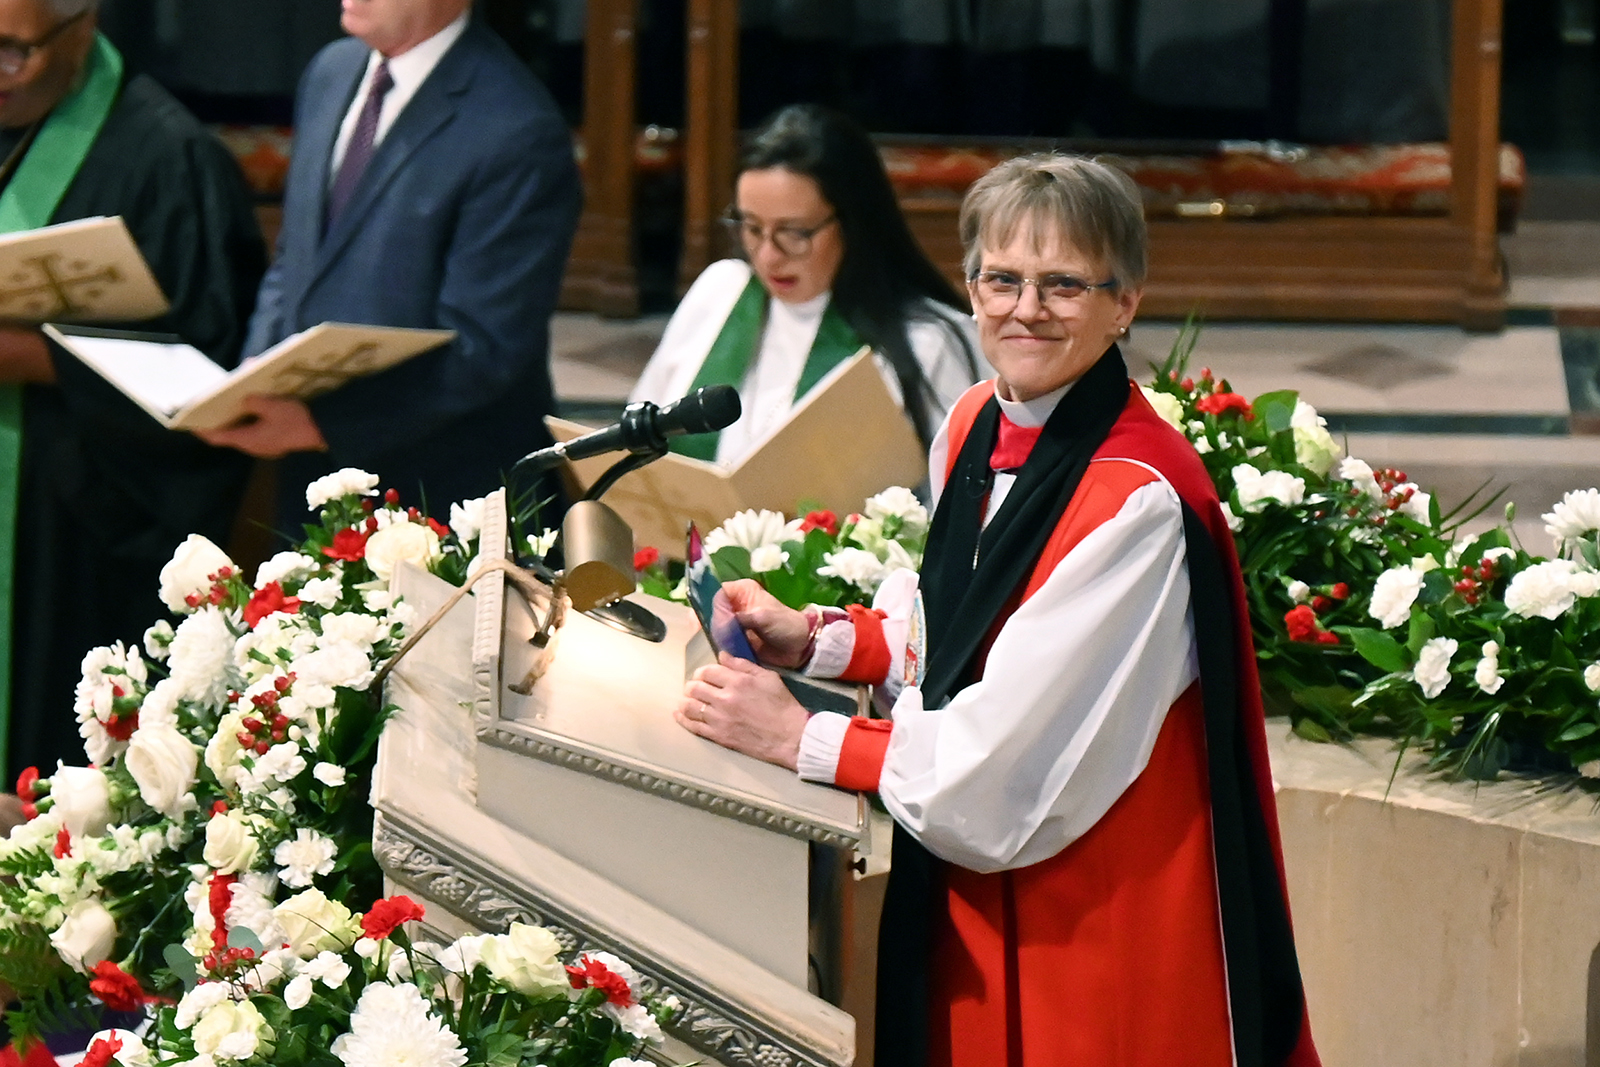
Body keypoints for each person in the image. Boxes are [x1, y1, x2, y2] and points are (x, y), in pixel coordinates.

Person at [673, 154, 1322, 1067]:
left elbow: (1001, 763)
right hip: (978, 886)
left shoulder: (1134, 499)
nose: (1026, 308)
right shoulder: (979, 418)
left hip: (1090, 912)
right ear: (970, 288)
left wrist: (801, 739)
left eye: (1064, 284)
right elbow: (968, 628)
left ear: (1125, 300)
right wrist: (823, 638)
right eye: (1002, 279)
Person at [0, 0, 265, 783]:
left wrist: (35, 359)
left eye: (14, 51)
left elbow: (210, 372)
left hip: (74, 520)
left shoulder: (170, 159)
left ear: (81, 25)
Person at [199, 0, 581, 522]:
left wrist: (321, 425)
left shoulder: (516, 126)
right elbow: (298, 257)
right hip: (311, 479)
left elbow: (484, 347)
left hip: (443, 495)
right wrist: (253, 377)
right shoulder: (332, 71)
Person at [631, 104, 979, 466]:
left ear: (853, 222)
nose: (767, 256)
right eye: (751, 227)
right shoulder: (720, 290)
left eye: (794, 233)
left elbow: (955, 497)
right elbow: (642, 436)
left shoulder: (928, 341)